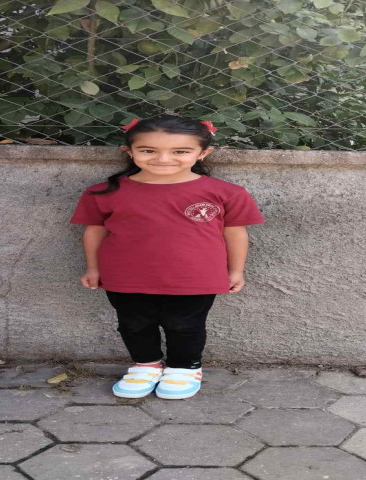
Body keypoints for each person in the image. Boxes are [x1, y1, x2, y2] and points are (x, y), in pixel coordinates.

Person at [69, 115, 266, 400]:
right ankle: (146, 365)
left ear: (203, 153)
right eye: (148, 150)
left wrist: (236, 270)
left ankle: (184, 368)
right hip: (125, 276)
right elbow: (94, 232)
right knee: (133, 323)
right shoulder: (104, 192)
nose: (163, 159)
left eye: (180, 151)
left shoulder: (226, 193)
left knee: (185, 325)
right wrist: (93, 268)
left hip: (195, 277)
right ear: (129, 151)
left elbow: (235, 233)